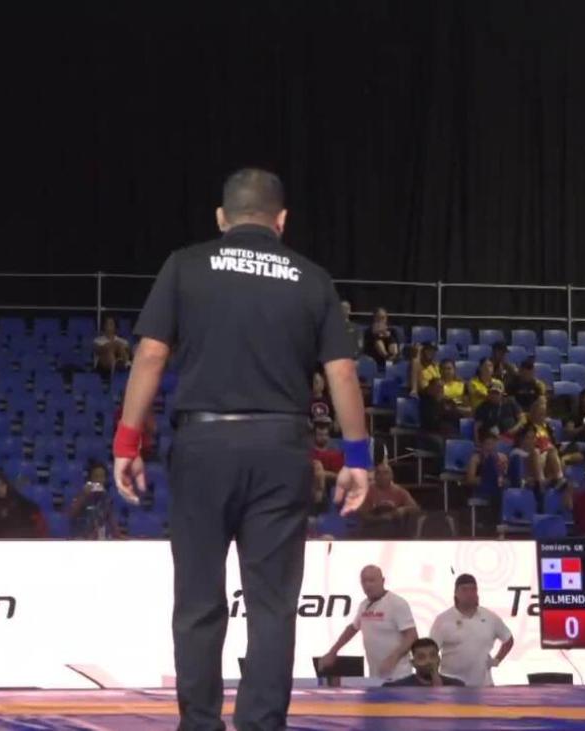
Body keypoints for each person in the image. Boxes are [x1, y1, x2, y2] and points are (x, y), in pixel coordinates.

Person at [113, 169, 369, 731]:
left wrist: (127, 442)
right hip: (280, 448)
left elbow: (151, 355)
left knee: (198, 600)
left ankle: (200, 724)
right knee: (272, 604)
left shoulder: (184, 265)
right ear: (282, 221)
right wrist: (357, 458)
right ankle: (262, 724)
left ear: (221, 218)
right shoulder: (312, 278)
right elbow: (343, 373)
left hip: (203, 445)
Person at [318, 566, 417, 684]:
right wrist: (333, 652)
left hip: (399, 675)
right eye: (364, 581)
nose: (368, 585)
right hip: (376, 675)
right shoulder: (364, 605)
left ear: (382, 581)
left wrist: (393, 658)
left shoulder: (397, 603)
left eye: (372, 580)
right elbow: (353, 628)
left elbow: (412, 636)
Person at [428, 575, 513, 687]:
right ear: (456, 593)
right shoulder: (442, 620)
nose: (469, 594)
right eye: (464, 590)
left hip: (484, 685)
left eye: (473, 589)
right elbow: (430, 652)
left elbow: (508, 640)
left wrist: (497, 660)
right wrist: (434, 677)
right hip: (451, 686)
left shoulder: (490, 617)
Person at [357, 462, 419, 538]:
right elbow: (363, 516)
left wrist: (403, 509)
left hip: (395, 530)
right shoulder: (366, 492)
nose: (382, 476)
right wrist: (382, 518)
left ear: (392, 476)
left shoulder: (399, 491)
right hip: (373, 529)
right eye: (378, 473)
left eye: (385, 473)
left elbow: (415, 508)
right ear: (375, 476)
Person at [0, 472, 47, 539]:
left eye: (2, 485)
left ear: (7, 485)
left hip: (21, 535)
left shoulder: (15, 496)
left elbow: (33, 508)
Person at [382, 638, 466, 687]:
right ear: (413, 663)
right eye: (421, 657)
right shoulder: (399, 687)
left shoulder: (457, 686)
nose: (429, 661)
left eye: (433, 656)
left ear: (439, 659)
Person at [68, 461, 121, 539]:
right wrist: (84, 495)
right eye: (96, 476)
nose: (99, 480)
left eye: (102, 476)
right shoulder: (81, 495)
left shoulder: (106, 500)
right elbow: (71, 515)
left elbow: (114, 528)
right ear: (90, 479)